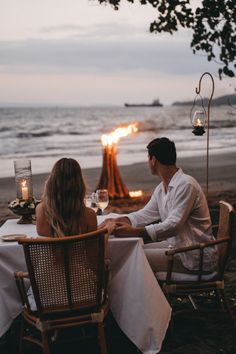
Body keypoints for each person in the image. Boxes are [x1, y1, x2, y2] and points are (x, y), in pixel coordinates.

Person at [100, 137, 218, 273]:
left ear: (153, 160)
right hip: (176, 247)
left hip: (195, 256)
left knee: (131, 258)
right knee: (133, 251)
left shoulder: (186, 185)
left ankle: (141, 294)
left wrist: (135, 232)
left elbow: (173, 225)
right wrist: (120, 220)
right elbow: (144, 214)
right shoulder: (162, 188)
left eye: (148, 158)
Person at [36, 158, 97, 237]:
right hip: (80, 250)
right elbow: (94, 248)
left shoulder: (41, 211)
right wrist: (107, 230)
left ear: (52, 183)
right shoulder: (89, 215)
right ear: (79, 185)